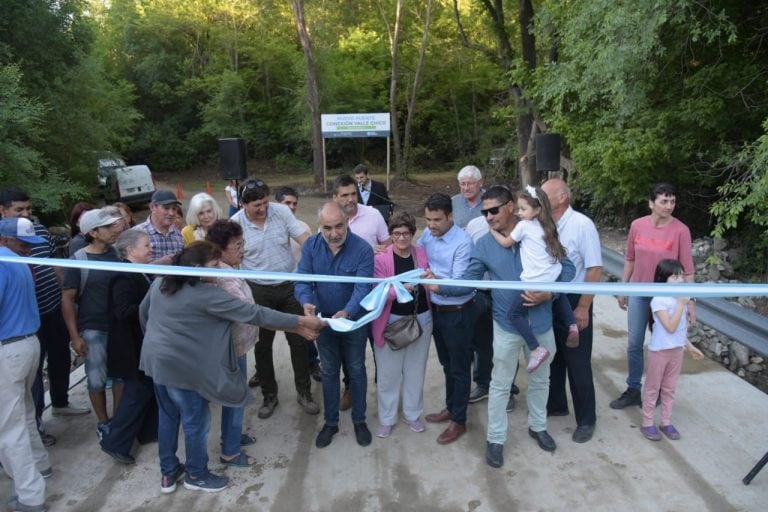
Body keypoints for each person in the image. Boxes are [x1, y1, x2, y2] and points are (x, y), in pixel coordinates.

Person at [139, 241, 324, 493]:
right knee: (196, 421)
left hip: (156, 362)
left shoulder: (163, 282)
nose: (220, 270)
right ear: (196, 268)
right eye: (215, 266)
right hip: (182, 370)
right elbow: (256, 314)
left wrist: (156, 342)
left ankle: (169, 473)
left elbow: (143, 312)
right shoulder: (208, 294)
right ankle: (196, 474)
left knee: (169, 416)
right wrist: (300, 321)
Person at [428, 186, 574, 467]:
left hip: (541, 323)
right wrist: (439, 285)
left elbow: (567, 268)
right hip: (507, 325)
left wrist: (550, 293)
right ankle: (496, 438)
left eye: (493, 210)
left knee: (542, 380)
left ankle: (538, 426)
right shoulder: (483, 244)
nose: (488, 216)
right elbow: (468, 280)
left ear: (511, 206)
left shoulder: (541, 230)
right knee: (500, 385)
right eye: (484, 212)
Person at [1, 188, 89, 453]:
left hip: (51, 305)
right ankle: (36, 424)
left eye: (28, 208)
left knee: (60, 356)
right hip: (21, 319)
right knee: (33, 375)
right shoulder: (4, 241)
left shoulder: (38, 232)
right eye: (19, 210)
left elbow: (56, 265)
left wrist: (67, 299)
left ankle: (61, 402)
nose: (27, 214)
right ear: (3, 211)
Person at [230, 179, 318, 418]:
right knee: (262, 345)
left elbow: (305, 242)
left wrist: (322, 257)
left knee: (299, 341)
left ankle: (304, 392)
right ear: (243, 204)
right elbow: (226, 258)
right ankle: (269, 395)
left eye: (266, 202)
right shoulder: (235, 224)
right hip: (258, 291)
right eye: (257, 204)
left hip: (290, 286)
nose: (263, 208)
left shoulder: (281, 212)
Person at [295, 202, 374, 449]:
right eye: (327, 228)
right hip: (324, 322)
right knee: (329, 372)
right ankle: (331, 423)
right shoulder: (310, 246)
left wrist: (348, 312)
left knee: (356, 370)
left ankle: (359, 420)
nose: (333, 233)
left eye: (338, 226)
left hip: (353, 323)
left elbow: (363, 286)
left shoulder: (362, 249)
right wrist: (306, 302)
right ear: (320, 226)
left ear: (347, 221)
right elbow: (302, 280)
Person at [611, 183, 696, 409]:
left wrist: (690, 303)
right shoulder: (637, 226)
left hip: (666, 297)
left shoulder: (681, 230)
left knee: (663, 345)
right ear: (651, 203)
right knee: (634, 342)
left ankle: (656, 389)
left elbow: (687, 269)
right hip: (639, 291)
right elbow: (630, 259)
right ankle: (633, 389)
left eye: (672, 201)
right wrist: (623, 288)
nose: (669, 206)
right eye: (664, 201)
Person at [489, 185, 579, 373]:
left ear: (537, 210)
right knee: (559, 295)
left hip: (532, 281)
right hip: (550, 277)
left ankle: (535, 348)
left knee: (513, 314)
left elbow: (506, 243)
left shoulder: (524, 226)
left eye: (523, 209)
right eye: (518, 208)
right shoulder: (548, 227)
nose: (519, 213)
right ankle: (572, 324)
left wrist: (493, 232)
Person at [541, 178, 603, 443]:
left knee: (577, 362)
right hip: (551, 298)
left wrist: (583, 307)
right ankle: (556, 404)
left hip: (575, 298)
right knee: (554, 358)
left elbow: (595, 268)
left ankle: (586, 419)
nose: (540, 199)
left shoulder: (582, 225)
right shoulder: (543, 225)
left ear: (562, 197)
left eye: (545, 194)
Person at [0, 216, 52, 512]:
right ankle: (40, 465)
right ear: (6, 240)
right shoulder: (19, 264)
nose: (28, 249)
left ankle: (31, 496)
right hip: (28, 344)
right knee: (24, 412)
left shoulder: (4, 262)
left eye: (29, 245)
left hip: (9, 348)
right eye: (23, 244)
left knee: (9, 428)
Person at [417, 193, 477, 445]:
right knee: (446, 364)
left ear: (450, 216)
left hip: (458, 313)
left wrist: (435, 285)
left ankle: (459, 421)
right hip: (436, 312)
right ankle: (451, 408)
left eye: (437, 220)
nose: (431, 225)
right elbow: (416, 253)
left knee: (460, 368)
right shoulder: (428, 235)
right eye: (428, 219)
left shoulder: (463, 242)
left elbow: (462, 284)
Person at [61, 207, 124, 439]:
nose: (113, 230)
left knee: (120, 376)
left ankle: (118, 421)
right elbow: (67, 299)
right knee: (96, 379)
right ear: (93, 232)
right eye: (107, 227)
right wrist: (75, 336)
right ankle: (103, 422)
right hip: (94, 328)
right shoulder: (79, 260)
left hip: (118, 327)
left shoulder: (116, 253)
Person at [371, 211, 432, 438]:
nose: (402, 239)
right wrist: (398, 290)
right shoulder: (381, 259)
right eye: (397, 234)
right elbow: (376, 292)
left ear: (413, 234)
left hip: (421, 318)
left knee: (416, 370)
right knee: (388, 373)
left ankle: (412, 414)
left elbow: (430, 281)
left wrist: (430, 280)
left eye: (406, 233)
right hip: (390, 321)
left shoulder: (422, 254)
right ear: (390, 235)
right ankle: (387, 418)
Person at [332, 174, 390, 410]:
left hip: (375, 294)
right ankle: (351, 389)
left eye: (353, 193)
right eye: (344, 195)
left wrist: (382, 249)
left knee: (379, 345)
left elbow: (389, 243)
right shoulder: (331, 221)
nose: (350, 199)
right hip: (346, 297)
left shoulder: (374, 214)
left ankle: (384, 390)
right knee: (349, 351)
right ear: (334, 197)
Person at [100, 230, 156, 465]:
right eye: (146, 245)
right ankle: (115, 442)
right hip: (130, 346)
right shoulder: (123, 275)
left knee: (147, 388)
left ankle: (148, 433)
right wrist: (152, 306)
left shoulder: (139, 271)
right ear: (130, 250)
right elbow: (123, 311)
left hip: (141, 343)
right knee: (136, 392)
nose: (151, 248)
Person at [206, 220, 259, 467]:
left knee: (237, 395)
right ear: (220, 248)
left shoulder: (228, 269)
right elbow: (246, 311)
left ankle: (233, 435)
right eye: (238, 245)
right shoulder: (220, 277)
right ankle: (230, 451)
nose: (243, 250)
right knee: (235, 397)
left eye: (243, 244)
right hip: (230, 350)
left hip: (239, 346)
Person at [639, 259, 704, 441]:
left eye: (682, 276)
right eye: (675, 276)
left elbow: (680, 331)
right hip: (660, 351)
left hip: (677, 350)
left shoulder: (678, 298)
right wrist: (682, 305)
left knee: (669, 388)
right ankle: (647, 422)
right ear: (663, 279)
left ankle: (665, 421)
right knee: (653, 388)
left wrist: (690, 347)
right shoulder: (659, 300)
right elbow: (670, 327)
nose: (681, 280)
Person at [275, 186, 322, 383]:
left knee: (303, 330)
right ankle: (260, 372)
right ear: (277, 204)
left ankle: (312, 363)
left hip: (297, 287)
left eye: (294, 204)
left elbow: (312, 256)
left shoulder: (302, 227)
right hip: (271, 286)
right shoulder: (268, 227)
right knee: (265, 333)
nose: (291, 207)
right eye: (287, 203)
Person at [133, 189, 184, 264]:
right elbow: (131, 271)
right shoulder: (137, 233)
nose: (171, 213)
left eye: (174, 208)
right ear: (152, 207)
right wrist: (158, 264)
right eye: (166, 208)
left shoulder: (178, 234)